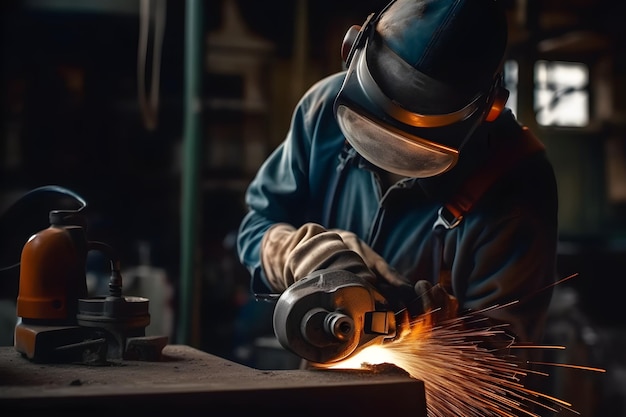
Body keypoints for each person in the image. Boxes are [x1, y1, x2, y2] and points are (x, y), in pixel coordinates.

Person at [236, 0, 558, 362]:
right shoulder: (322, 109)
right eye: (373, 129)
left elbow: (503, 363)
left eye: (414, 150)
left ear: (489, 110)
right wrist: (294, 252)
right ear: (352, 48)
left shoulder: (516, 180)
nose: (392, 156)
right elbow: (255, 227)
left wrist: (428, 326)